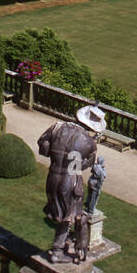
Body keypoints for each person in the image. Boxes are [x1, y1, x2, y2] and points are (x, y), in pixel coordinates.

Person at [37, 105, 105, 262]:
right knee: (73, 216)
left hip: (52, 176)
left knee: (63, 215)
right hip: (71, 180)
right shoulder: (90, 143)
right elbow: (84, 166)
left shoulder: (57, 127)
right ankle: (61, 250)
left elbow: (44, 150)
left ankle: (61, 246)